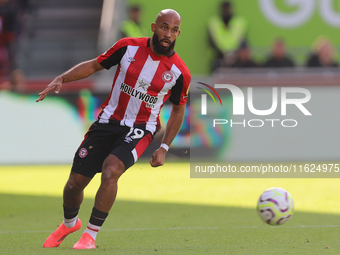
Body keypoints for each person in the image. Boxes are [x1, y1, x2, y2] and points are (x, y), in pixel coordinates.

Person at [36, 9, 190, 250]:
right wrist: (62, 78)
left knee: (111, 170)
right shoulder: (127, 47)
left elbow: (178, 110)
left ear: (178, 33)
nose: (167, 33)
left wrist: (164, 147)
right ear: (153, 26)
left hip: (141, 128)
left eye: (173, 30)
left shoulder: (180, 72)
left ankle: (90, 236)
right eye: (163, 27)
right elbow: (94, 65)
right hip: (107, 122)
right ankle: (69, 223)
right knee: (75, 183)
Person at [208, 1, 248, 71]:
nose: (226, 11)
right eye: (225, 9)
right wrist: (223, 54)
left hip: (237, 58)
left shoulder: (239, 22)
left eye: (228, 9)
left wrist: (234, 54)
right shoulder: (214, 22)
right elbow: (210, 41)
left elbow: (243, 40)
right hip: (219, 56)